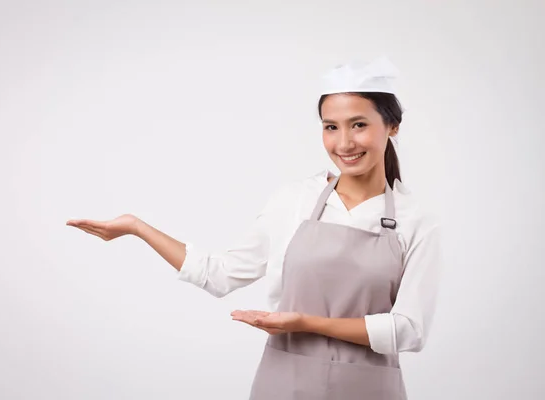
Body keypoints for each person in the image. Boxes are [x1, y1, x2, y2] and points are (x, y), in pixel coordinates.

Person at [66, 56, 441, 400]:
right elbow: (218, 275)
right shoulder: (294, 201)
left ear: (391, 125)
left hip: (369, 390)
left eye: (359, 125)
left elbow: (408, 330)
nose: (344, 143)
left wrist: (304, 322)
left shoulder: (414, 218)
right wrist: (136, 226)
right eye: (331, 127)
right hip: (285, 386)